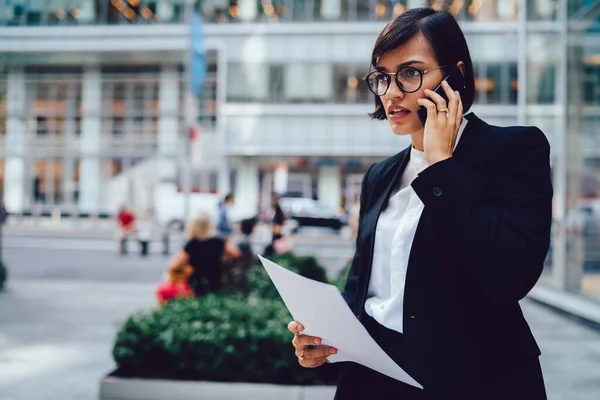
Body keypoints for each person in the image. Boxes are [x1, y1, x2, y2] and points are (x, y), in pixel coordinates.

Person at [287, 7, 552, 400]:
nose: (392, 92)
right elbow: (366, 290)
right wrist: (323, 339)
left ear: (455, 74)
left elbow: (509, 275)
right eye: (383, 77)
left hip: (473, 382)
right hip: (374, 377)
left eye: (410, 73)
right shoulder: (381, 175)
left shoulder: (514, 150)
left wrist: (441, 165)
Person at [168, 212, 240, 296]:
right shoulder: (218, 241)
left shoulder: (192, 243)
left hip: (195, 282)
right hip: (215, 280)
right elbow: (236, 254)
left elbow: (175, 265)